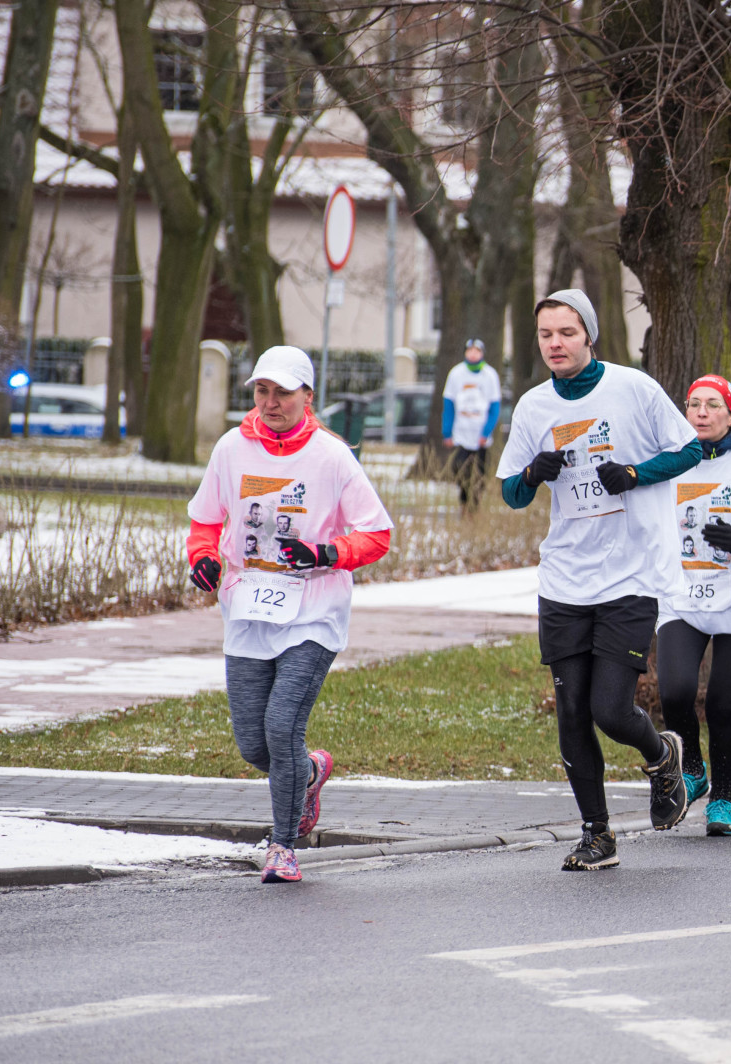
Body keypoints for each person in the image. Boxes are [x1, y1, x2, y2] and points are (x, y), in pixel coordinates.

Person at [499, 289, 703, 869]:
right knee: (570, 713)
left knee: (611, 710)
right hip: (565, 577)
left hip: (630, 572)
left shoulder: (633, 388)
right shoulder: (535, 407)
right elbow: (511, 492)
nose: (556, 344)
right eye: (546, 335)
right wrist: (534, 473)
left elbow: (689, 449)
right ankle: (598, 834)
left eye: (566, 332)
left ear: (589, 335)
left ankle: (662, 755)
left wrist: (635, 474)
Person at [186, 346, 394, 883]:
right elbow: (205, 521)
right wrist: (203, 559)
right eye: (262, 391)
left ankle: (283, 847)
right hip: (250, 608)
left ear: (308, 395)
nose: (271, 402)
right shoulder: (232, 448)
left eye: (283, 392)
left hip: (313, 610)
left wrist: (327, 554)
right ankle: (310, 772)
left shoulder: (332, 456)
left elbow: (377, 534)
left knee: (282, 728)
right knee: (255, 745)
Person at [656, 375, 731, 838]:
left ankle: (722, 800)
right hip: (683, 595)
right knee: (674, 691)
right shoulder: (671, 465)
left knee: (725, 706)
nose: (702, 413)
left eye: (712, 405)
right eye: (694, 405)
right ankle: (694, 767)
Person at [442, 339, 502, 506]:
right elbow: (449, 404)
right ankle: (464, 499)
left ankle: (475, 503)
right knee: (459, 467)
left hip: (480, 434)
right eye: (470, 350)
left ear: (482, 353)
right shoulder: (456, 373)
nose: (473, 354)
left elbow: (494, 407)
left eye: (477, 351)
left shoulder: (489, 375)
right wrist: (447, 432)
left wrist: (486, 432)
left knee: (479, 471)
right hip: (461, 432)